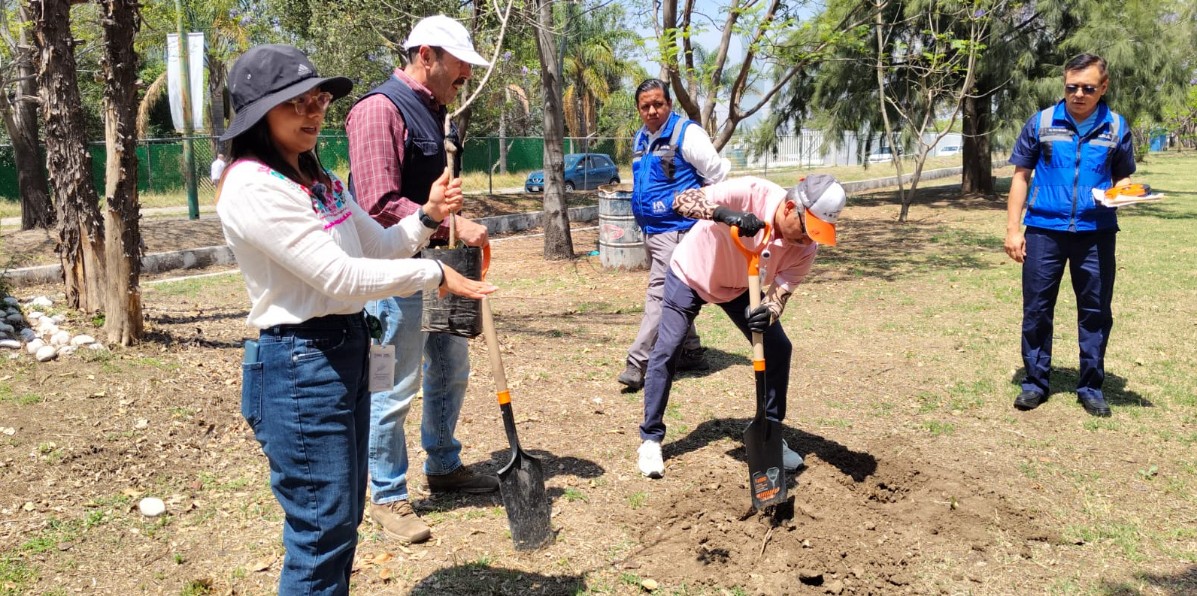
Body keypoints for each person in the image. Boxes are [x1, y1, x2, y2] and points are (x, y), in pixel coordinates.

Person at [215, 45, 494, 594]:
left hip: (342, 349)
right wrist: (433, 276)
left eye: (317, 98)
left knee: (341, 522)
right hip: (300, 364)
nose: (313, 111)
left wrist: (427, 217)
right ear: (257, 113)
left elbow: (382, 245)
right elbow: (340, 278)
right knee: (321, 534)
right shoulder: (253, 185)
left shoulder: (316, 177)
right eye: (295, 102)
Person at [345, 14, 495, 545]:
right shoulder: (377, 111)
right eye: (460, 64)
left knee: (451, 368)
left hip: (439, 269)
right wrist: (454, 223)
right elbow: (375, 206)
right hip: (393, 277)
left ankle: (444, 464)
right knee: (393, 385)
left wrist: (454, 229)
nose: (466, 77)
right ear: (426, 54)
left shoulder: (437, 113)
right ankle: (386, 495)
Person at [635, 174, 846, 478]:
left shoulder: (806, 249)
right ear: (789, 208)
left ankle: (769, 435)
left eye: (816, 234)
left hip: (741, 289)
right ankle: (651, 439)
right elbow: (680, 200)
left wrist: (770, 312)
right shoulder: (750, 192)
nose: (807, 240)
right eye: (806, 230)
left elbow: (780, 293)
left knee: (778, 348)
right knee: (668, 348)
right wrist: (723, 213)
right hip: (691, 274)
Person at [1003, 53, 1136, 418]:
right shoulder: (1042, 122)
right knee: (1037, 309)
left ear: (1103, 87)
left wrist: (1122, 194)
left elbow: (1123, 176)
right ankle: (1035, 383)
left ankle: (1091, 386)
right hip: (1044, 230)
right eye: (1071, 87)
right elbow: (1020, 177)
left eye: (1088, 88)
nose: (1078, 94)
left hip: (1096, 233)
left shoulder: (1117, 127)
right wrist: (1013, 230)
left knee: (1095, 311)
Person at [617, 78, 731, 390]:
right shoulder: (641, 138)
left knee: (659, 293)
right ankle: (691, 352)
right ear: (638, 109)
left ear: (669, 104)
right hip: (652, 230)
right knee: (678, 289)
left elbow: (717, 173)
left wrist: (702, 209)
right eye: (645, 106)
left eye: (658, 103)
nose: (652, 110)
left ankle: (637, 362)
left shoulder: (686, 133)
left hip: (678, 230)